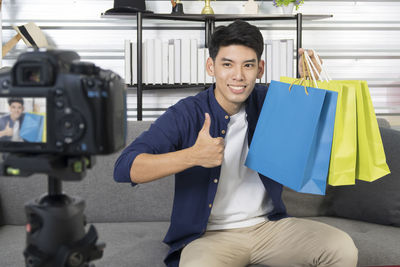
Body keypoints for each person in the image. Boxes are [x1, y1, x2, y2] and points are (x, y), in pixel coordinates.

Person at [114, 20, 358, 267]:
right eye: (227, 64)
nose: (238, 76)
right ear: (211, 66)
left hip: (269, 228)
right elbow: (125, 168)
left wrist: (312, 87)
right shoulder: (186, 114)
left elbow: (318, 134)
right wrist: (193, 156)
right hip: (209, 237)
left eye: (248, 65)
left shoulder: (272, 101)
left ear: (260, 68)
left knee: (341, 249)